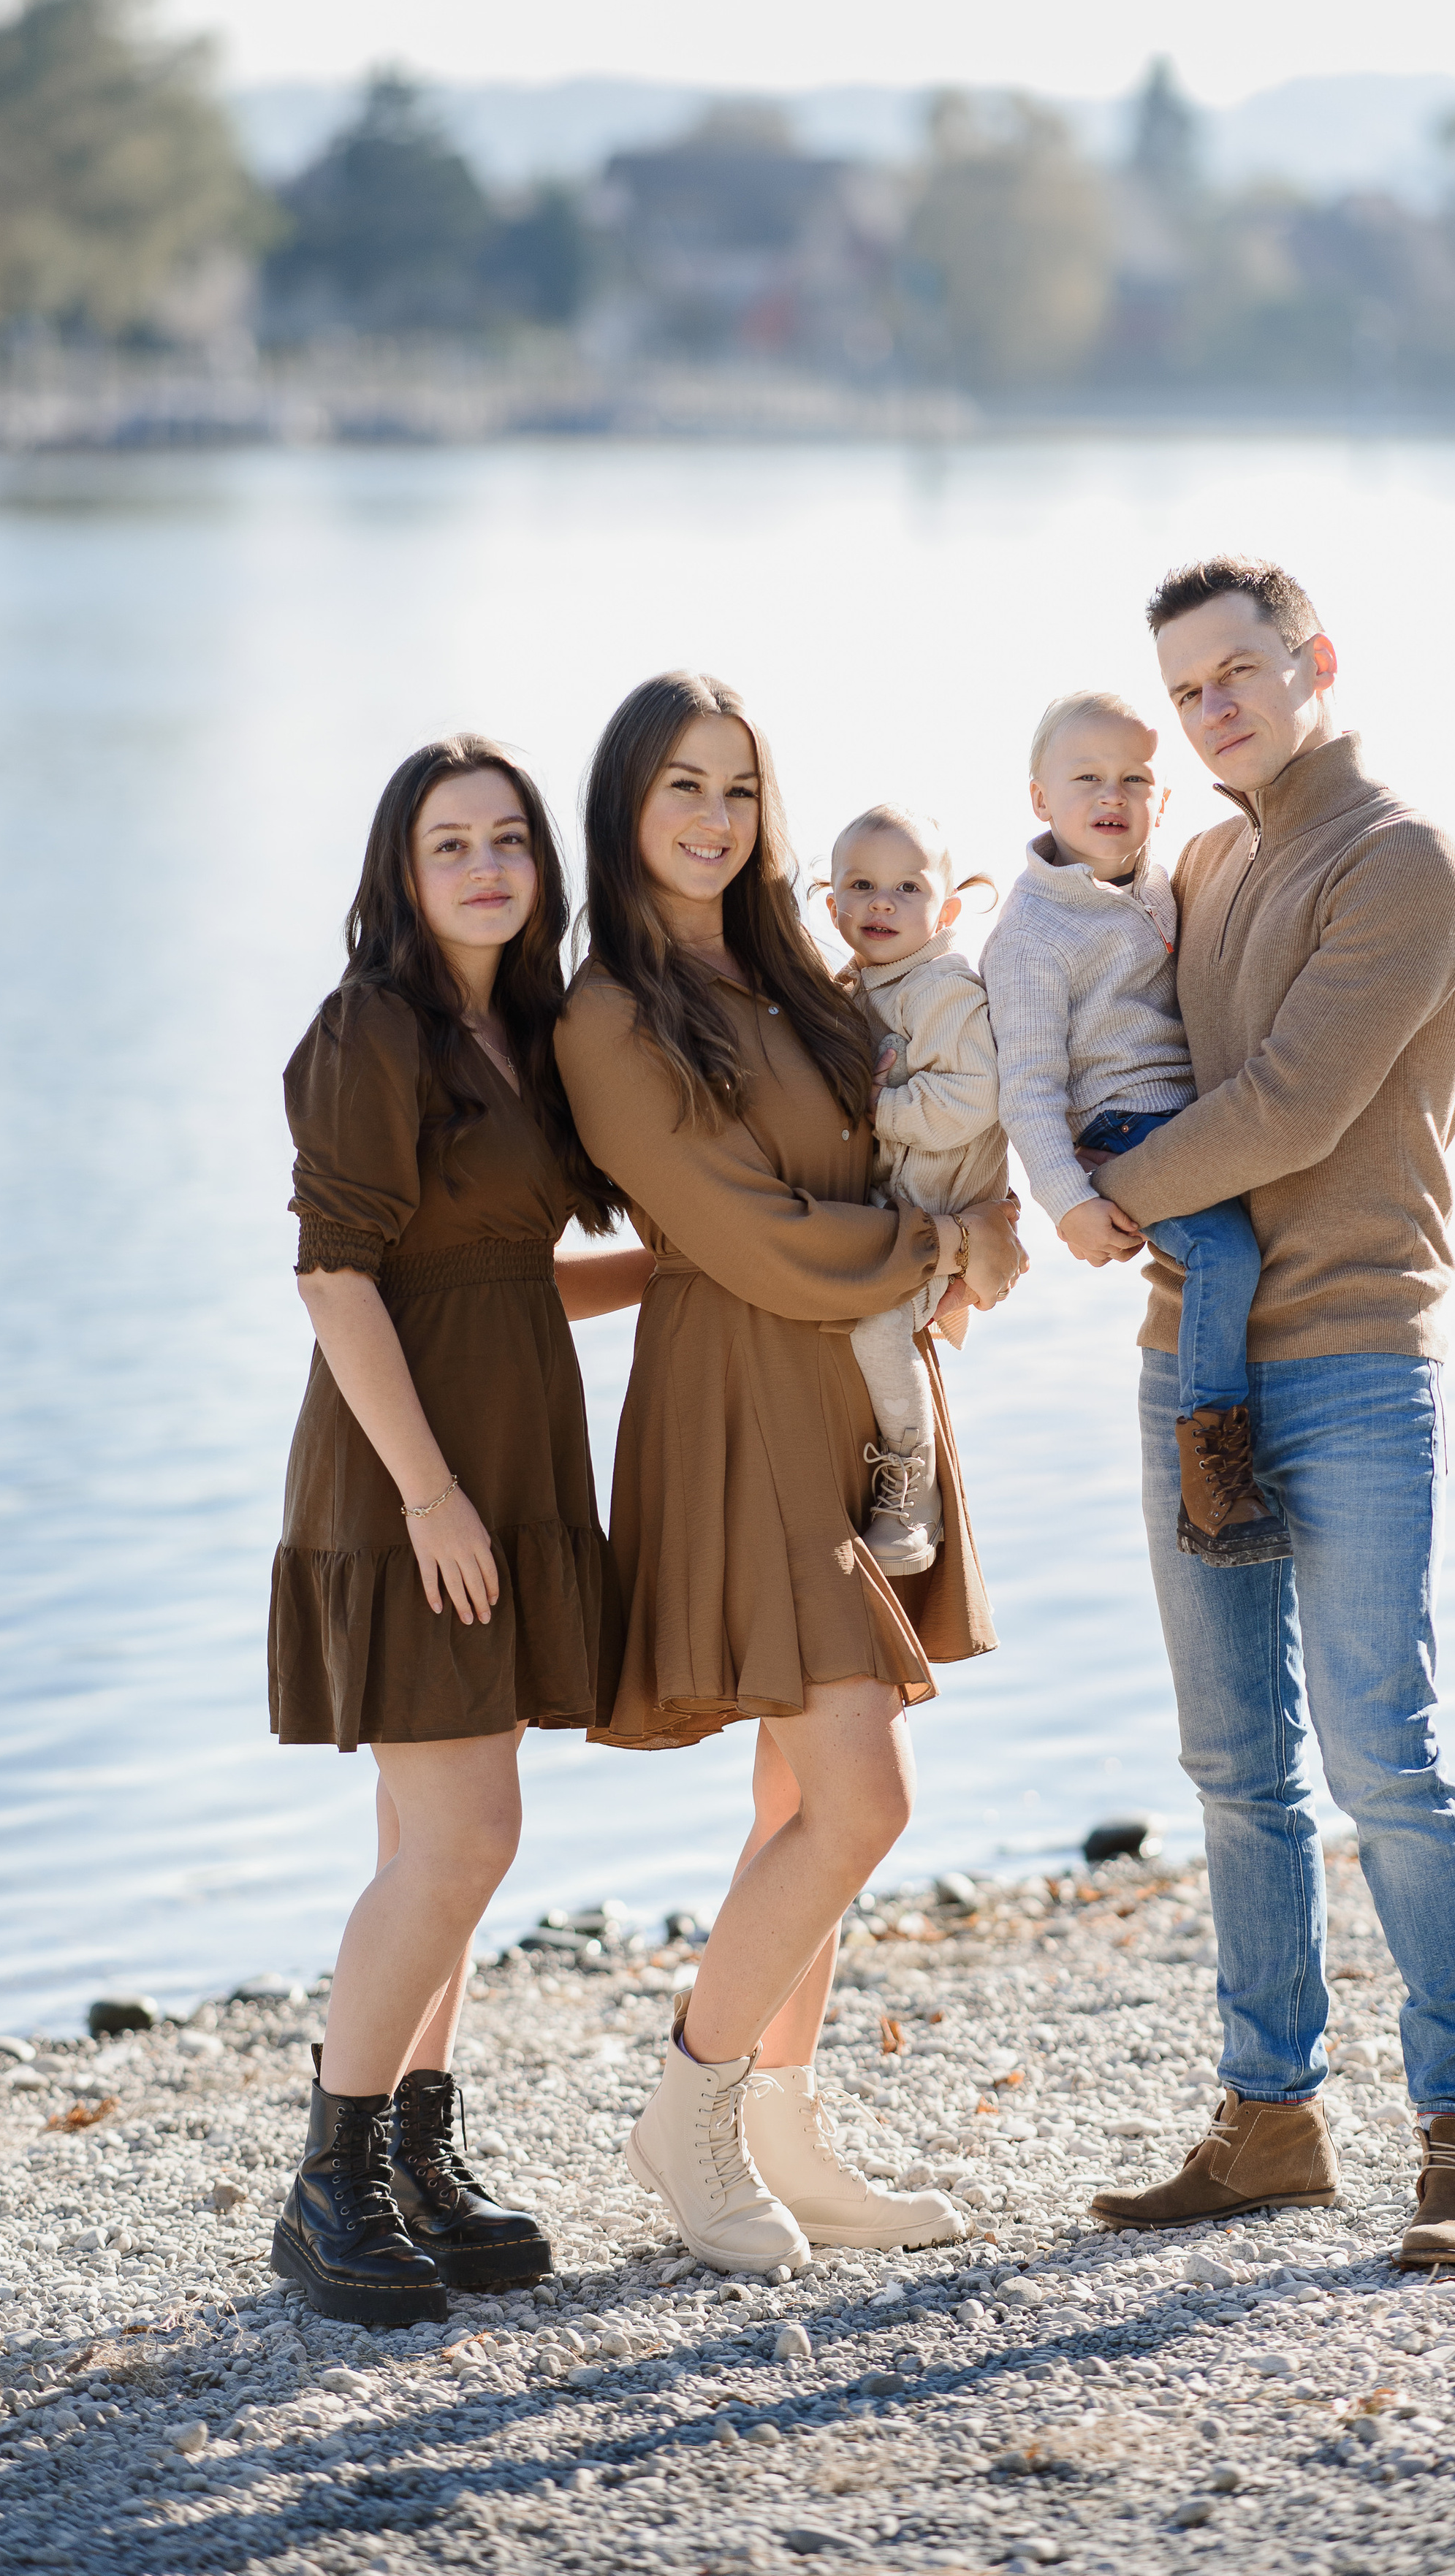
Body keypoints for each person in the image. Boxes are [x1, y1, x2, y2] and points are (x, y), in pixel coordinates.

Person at [1067, 558, 1455, 2268]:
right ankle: (1267, 2120)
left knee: (1380, 1755)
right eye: (1184, 691)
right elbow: (1110, 1035)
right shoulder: (1192, 857)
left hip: (1345, 1352)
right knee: (1231, 1769)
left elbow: (1284, 1105)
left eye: (1239, 672)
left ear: (1310, 662)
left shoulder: (1399, 858)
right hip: (1189, 1357)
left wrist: (1102, 1197)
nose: (1214, 710)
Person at [555, 671, 1024, 2273]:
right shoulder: (607, 1014)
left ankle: (783, 2134)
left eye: (738, 791)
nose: (710, 818)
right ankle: (681, 2117)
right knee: (857, 1800)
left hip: (849, 1389)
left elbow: (913, 1140)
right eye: (681, 787)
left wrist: (988, 1219)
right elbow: (740, 1229)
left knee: (793, 1787)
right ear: (626, 807)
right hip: (739, 1393)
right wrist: (939, 1242)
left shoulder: (802, 974)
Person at [267, 736, 652, 2325]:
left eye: (509, 840)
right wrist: (429, 1496)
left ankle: (419, 2152)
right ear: (401, 873)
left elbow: (500, 1273)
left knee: (436, 1848)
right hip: (407, 1479)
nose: (486, 865)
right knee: (466, 1839)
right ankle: (327, 2179)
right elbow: (337, 1276)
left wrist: (686, 1274)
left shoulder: (524, 1035)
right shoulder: (373, 1028)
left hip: (508, 1459)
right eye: (450, 844)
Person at [981, 690, 1288, 1566]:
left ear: (1164, 800)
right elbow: (1029, 1091)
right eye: (1086, 779)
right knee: (1223, 1256)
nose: (1111, 796)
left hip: (1192, 1119)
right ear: (1040, 799)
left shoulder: (1159, 882)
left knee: (1257, 1233)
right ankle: (1215, 1484)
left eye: (1135, 778)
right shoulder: (1033, 934)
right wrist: (1067, 1203)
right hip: (1122, 1129)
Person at [823, 802, 1008, 1577]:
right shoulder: (855, 991)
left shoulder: (943, 991)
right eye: (861, 887)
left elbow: (972, 1099)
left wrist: (876, 1108)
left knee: (875, 1329)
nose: (882, 904)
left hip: (937, 1221)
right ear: (832, 907)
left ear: (947, 910)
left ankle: (911, 1486)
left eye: (907, 888)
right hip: (890, 1220)